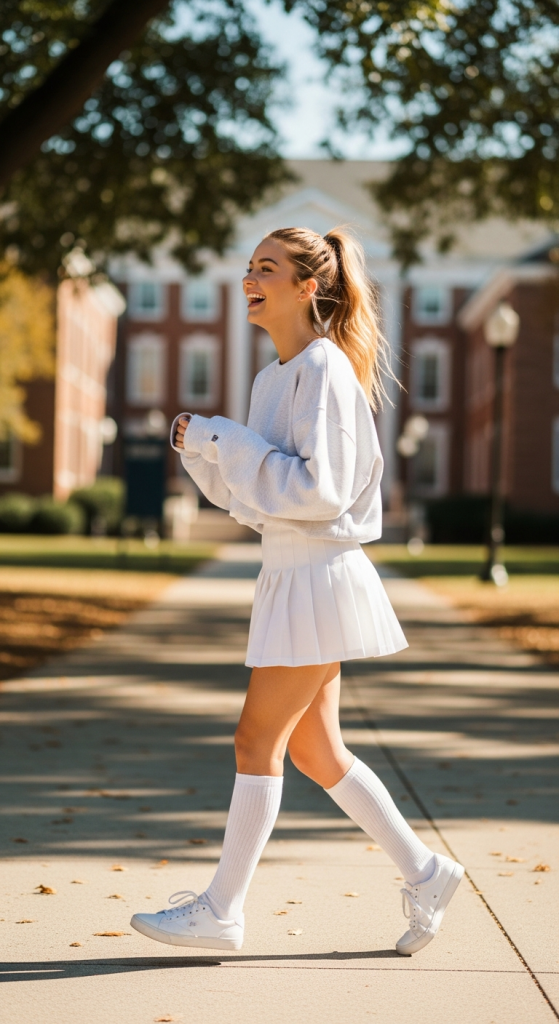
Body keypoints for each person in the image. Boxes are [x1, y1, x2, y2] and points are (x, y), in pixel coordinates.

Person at [130, 226, 463, 956]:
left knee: (256, 738)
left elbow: (319, 491)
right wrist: (207, 452)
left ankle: (222, 908)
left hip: (319, 575)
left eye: (268, 268)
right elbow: (260, 501)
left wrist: (224, 441)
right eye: (248, 267)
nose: (250, 279)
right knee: (317, 750)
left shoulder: (325, 369)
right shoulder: (273, 378)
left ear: (308, 287)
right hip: (289, 572)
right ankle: (427, 870)